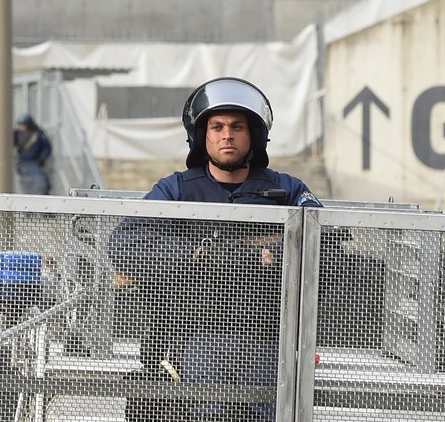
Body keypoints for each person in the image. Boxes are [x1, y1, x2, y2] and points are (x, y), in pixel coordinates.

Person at [108, 79, 320, 421]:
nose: (227, 136)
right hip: (191, 334)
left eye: (237, 127)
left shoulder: (287, 189)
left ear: (253, 134)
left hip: (267, 338)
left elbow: (326, 246)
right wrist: (198, 254)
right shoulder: (176, 189)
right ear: (201, 135)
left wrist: (276, 256)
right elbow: (126, 242)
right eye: (216, 127)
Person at [15, 115, 53, 195]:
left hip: (35, 163)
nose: (22, 127)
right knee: (25, 186)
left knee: (41, 185)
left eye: (23, 125)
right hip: (23, 164)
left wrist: (42, 158)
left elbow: (47, 147)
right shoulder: (18, 134)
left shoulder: (38, 133)